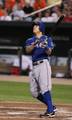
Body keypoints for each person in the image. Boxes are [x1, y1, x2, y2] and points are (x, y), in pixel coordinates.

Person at [25, 22, 56, 118]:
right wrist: (35, 43)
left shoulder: (48, 39)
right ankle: (51, 106)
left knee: (45, 88)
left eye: (36, 26)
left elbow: (49, 52)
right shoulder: (30, 40)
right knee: (34, 92)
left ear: (41, 28)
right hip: (34, 67)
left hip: (43, 65)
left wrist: (45, 46)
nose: (34, 27)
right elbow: (27, 50)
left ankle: (50, 111)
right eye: (34, 25)